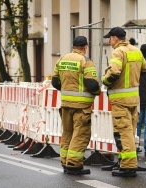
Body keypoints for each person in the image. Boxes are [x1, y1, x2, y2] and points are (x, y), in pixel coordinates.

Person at [102, 27, 146, 177]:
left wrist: (104, 80)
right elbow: (145, 68)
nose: (109, 41)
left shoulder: (117, 52)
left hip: (120, 99)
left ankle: (128, 166)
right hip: (134, 99)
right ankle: (125, 161)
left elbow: (114, 72)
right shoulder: (136, 50)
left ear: (115, 38)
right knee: (130, 131)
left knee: (123, 133)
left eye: (110, 38)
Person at [51, 36, 101, 175]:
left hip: (66, 104)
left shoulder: (62, 59)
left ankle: (65, 161)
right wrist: (97, 92)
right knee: (80, 134)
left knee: (67, 133)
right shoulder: (86, 61)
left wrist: (67, 90)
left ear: (73, 46)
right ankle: (74, 164)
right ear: (85, 47)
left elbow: (55, 81)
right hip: (81, 107)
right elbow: (92, 84)